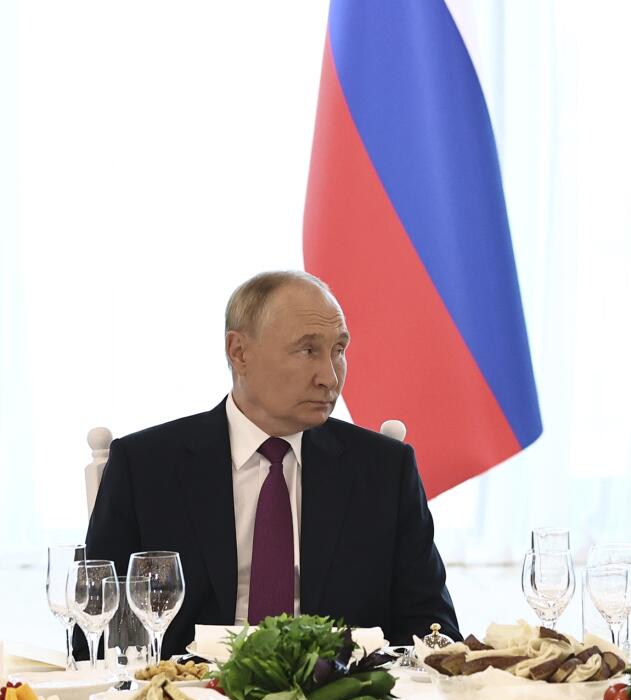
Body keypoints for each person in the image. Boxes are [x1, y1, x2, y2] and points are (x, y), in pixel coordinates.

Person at [85, 271, 460, 656]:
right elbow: (96, 631)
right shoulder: (146, 467)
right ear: (239, 352)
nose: (329, 377)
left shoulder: (383, 470)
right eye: (308, 350)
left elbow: (431, 626)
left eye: (339, 350)